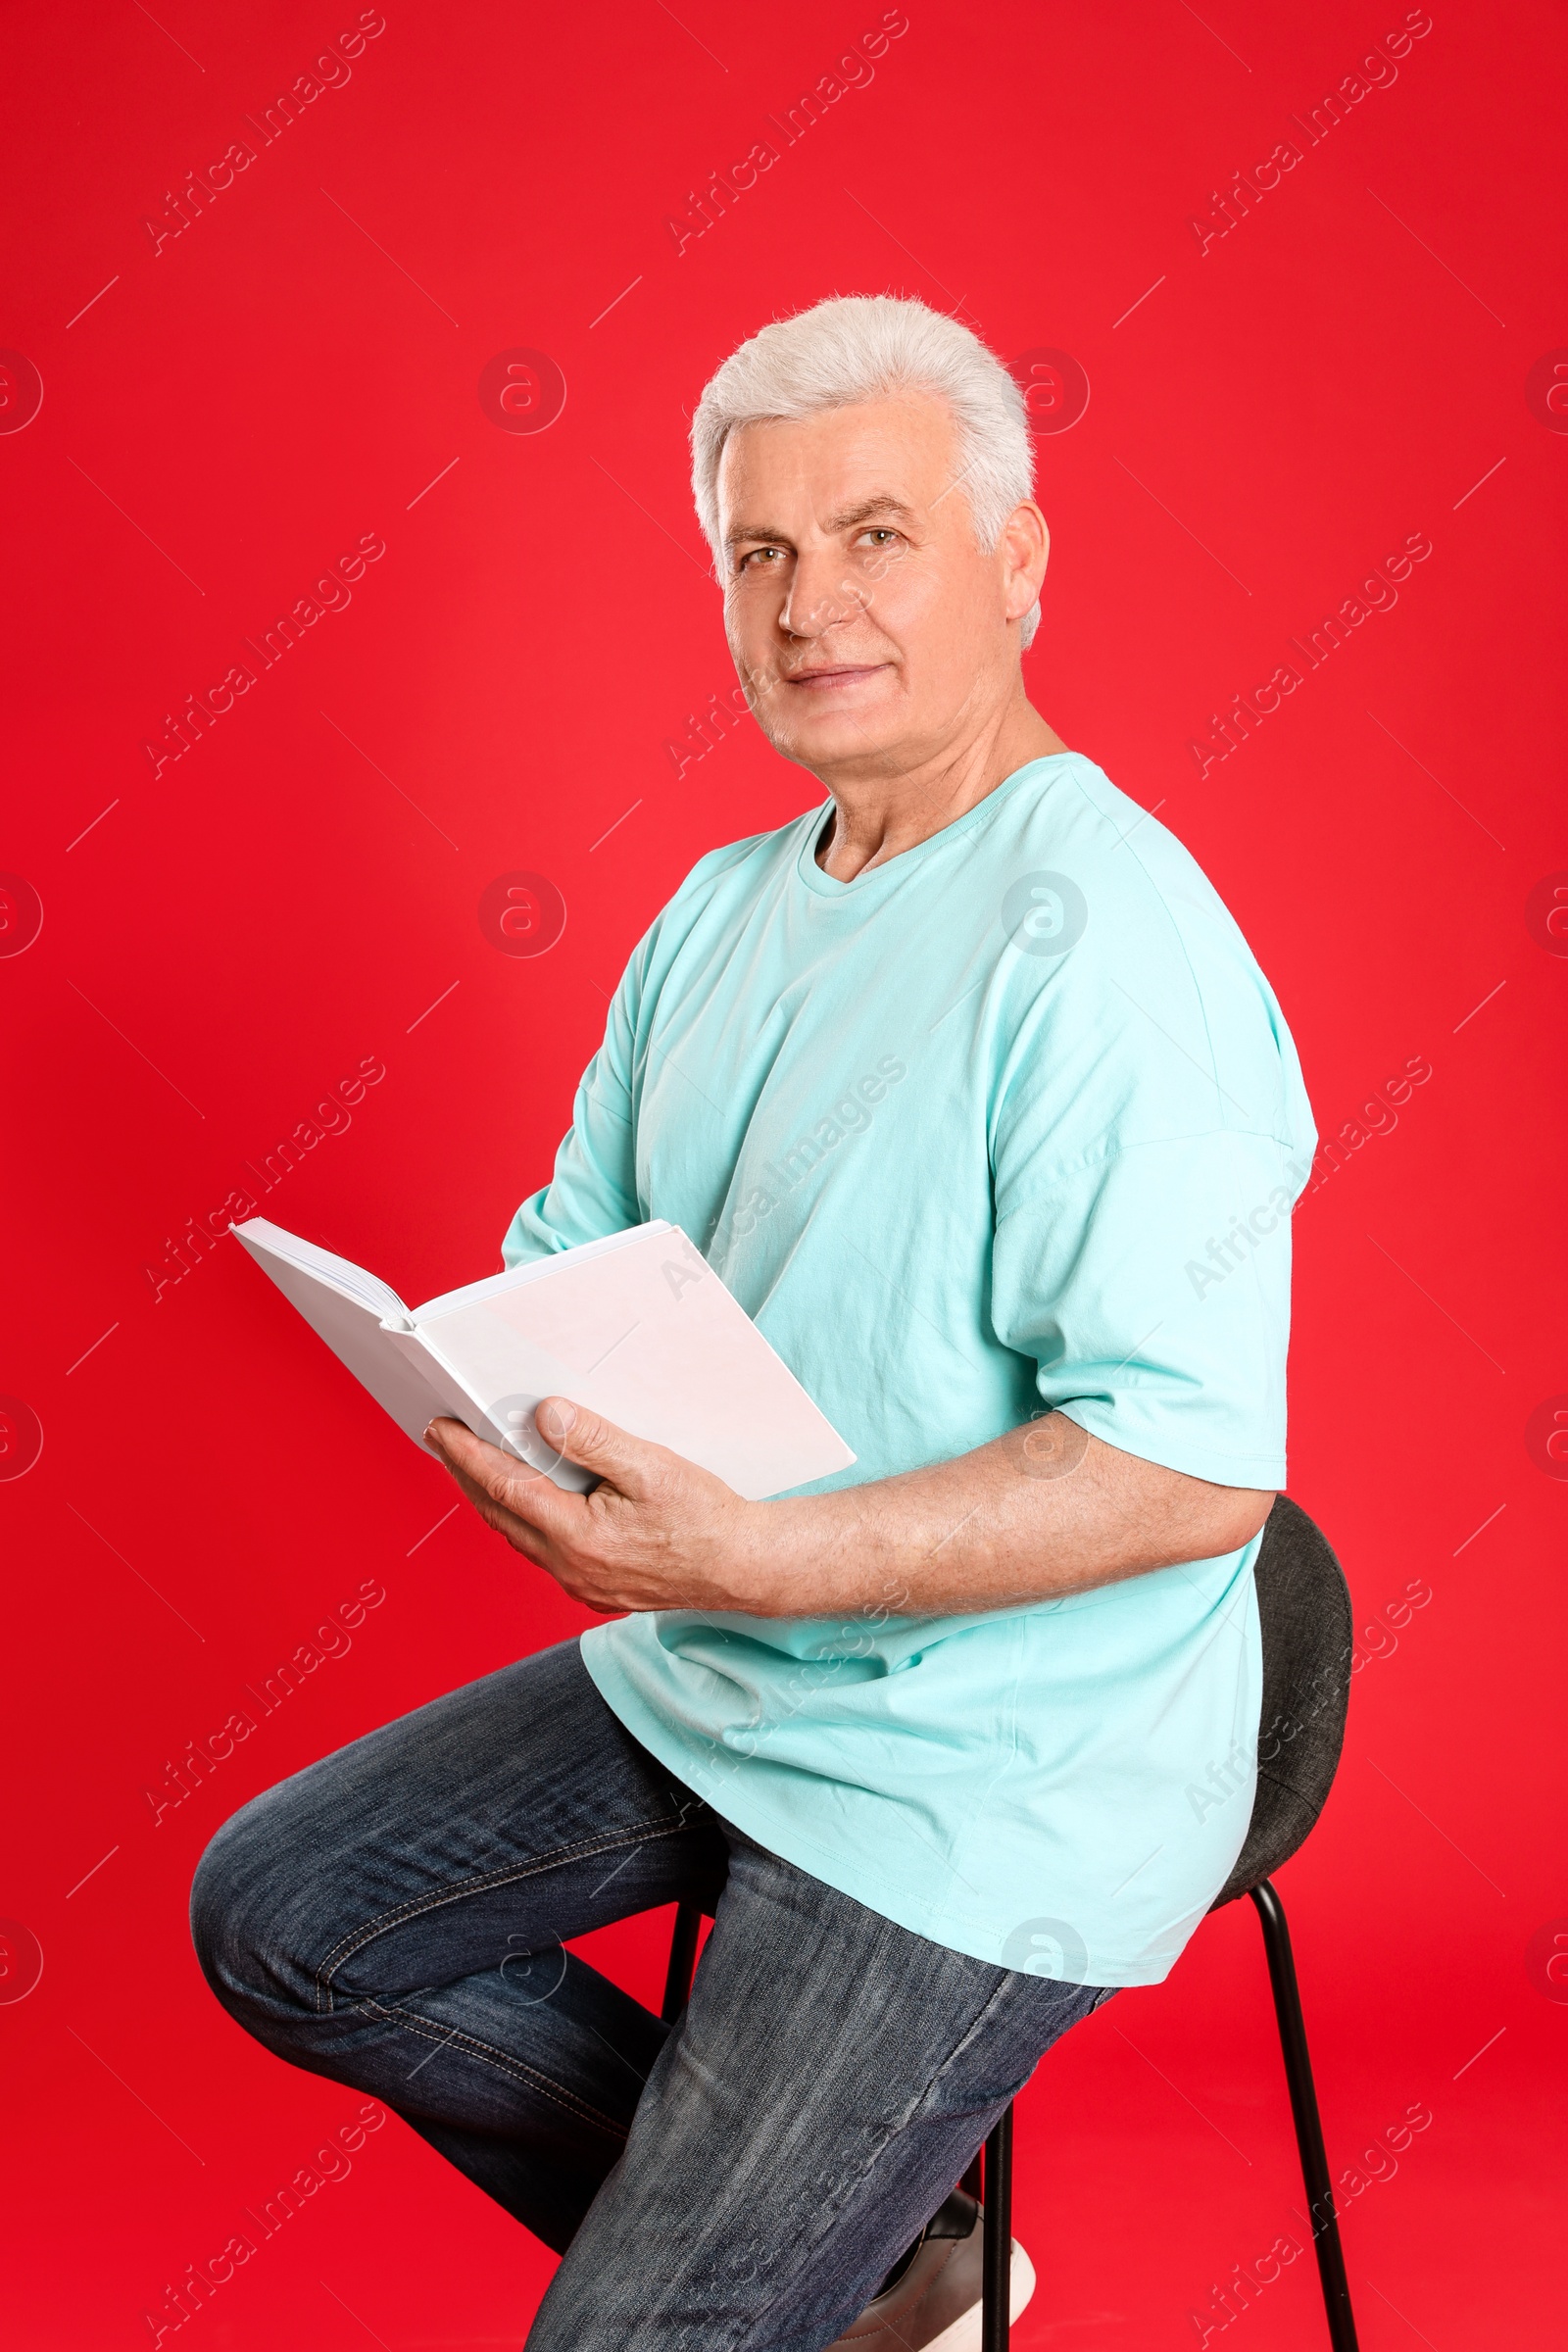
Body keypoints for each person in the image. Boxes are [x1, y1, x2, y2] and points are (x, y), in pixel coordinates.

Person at [192, 294, 1316, 2350]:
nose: (812, 604)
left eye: (875, 533)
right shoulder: (718, 909)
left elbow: (1185, 1472)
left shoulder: (1110, 947)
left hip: (992, 1770)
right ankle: (891, 2268)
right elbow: (574, 1253)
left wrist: (752, 1555)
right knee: (283, 1919)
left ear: (1016, 559)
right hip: (728, 1669)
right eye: (758, 551)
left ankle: (751, 2283)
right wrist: (492, 1400)